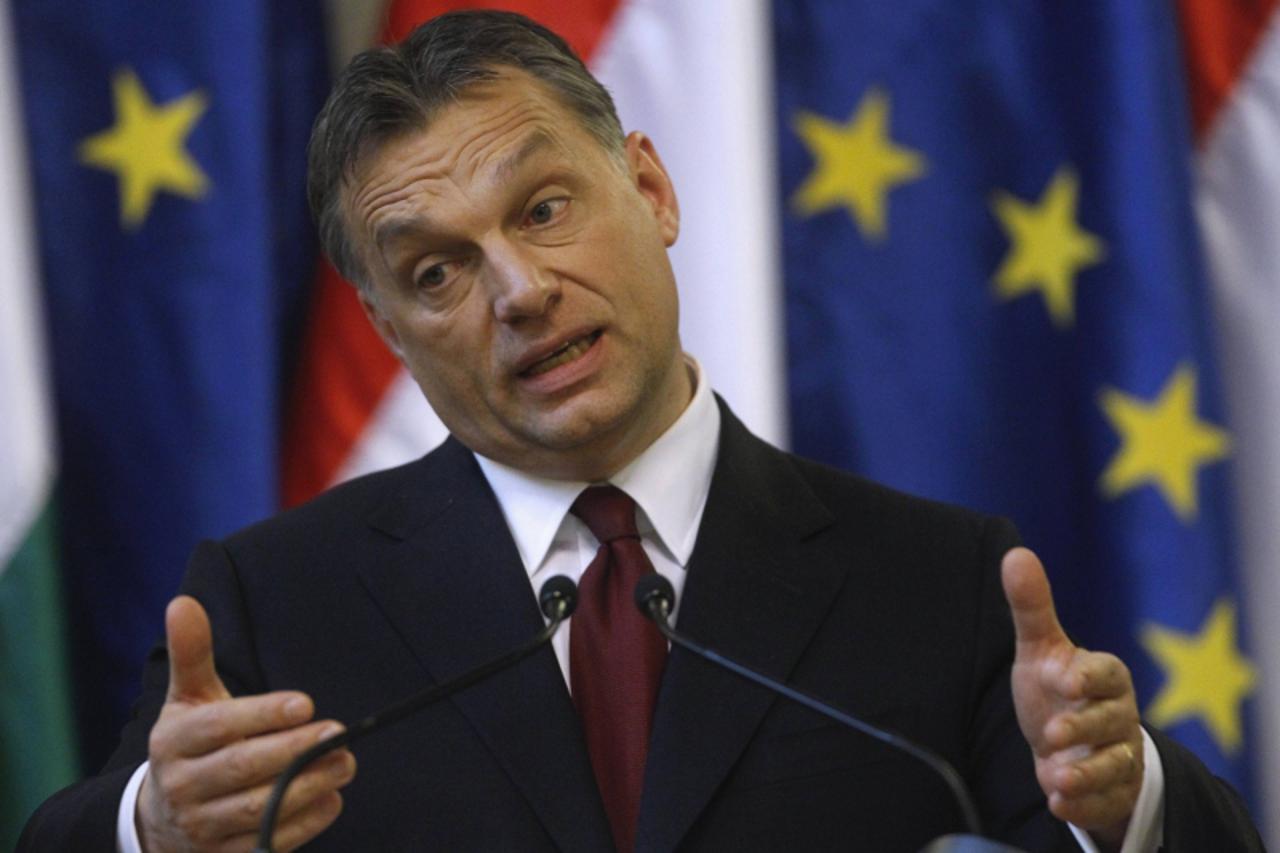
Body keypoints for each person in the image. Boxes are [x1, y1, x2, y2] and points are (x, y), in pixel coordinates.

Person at [21, 10, 1262, 853]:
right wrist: (153, 825)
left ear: (652, 193)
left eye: (545, 207)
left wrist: (1127, 795)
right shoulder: (275, 603)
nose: (517, 290)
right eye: (438, 273)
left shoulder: (935, 581)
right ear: (387, 328)